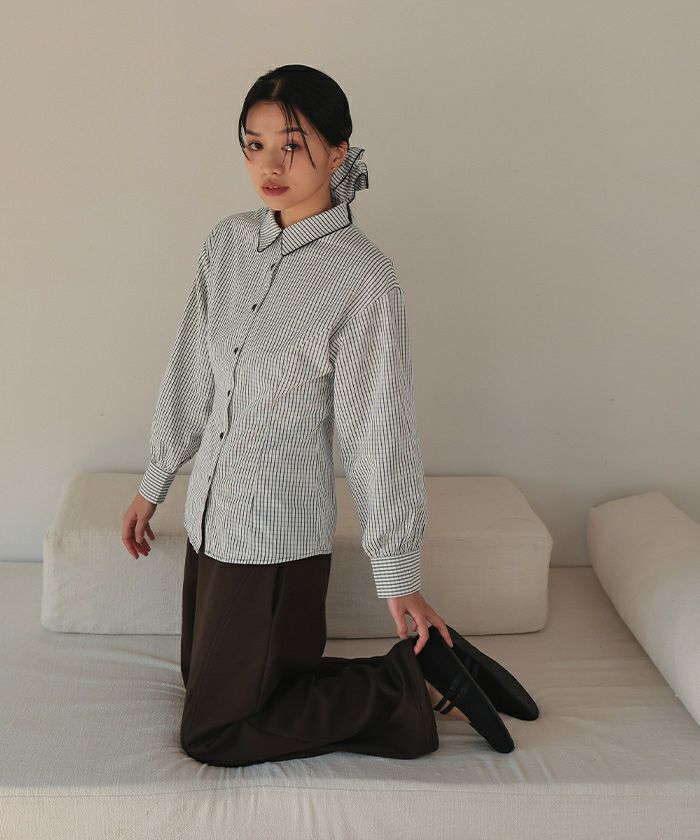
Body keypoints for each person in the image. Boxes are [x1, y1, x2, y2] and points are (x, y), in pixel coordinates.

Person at [121, 64, 496, 767]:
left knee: (214, 733)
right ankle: (437, 673)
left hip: (275, 539)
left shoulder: (363, 277)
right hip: (211, 522)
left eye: (291, 145)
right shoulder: (226, 245)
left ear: (338, 152)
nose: (269, 165)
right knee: (206, 686)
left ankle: (405, 690)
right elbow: (191, 370)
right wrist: (155, 482)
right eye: (254, 144)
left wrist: (398, 572)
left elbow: (376, 431)